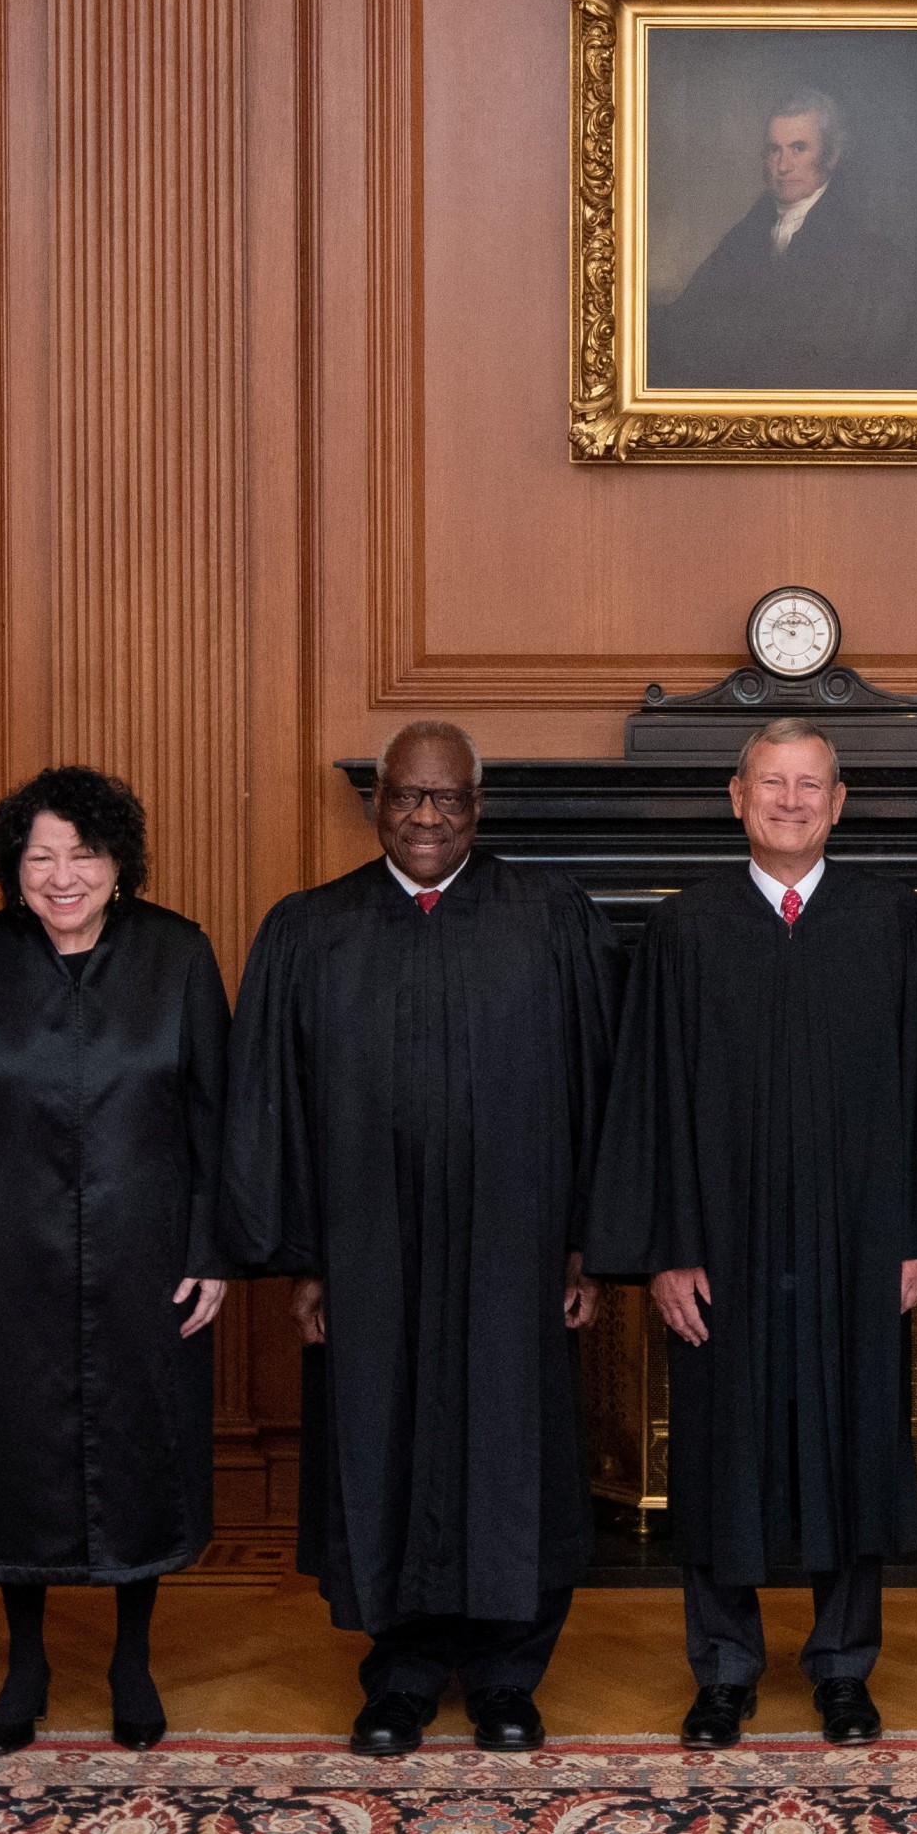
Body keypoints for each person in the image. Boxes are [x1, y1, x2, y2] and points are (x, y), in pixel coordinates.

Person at [221, 721, 618, 1757]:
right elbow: (276, 1106)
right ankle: (396, 1671)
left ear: (478, 807)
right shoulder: (311, 930)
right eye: (407, 797)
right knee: (379, 1437)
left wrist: (587, 1240)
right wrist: (303, 1254)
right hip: (368, 1252)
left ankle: (505, 1674)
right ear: (376, 803)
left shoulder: (551, 919)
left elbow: (601, 1089)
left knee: (511, 1443)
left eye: (447, 799)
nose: (427, 817)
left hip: (517, 1250)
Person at [584, 716, 917, 1748]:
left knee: (857, 1433)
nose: (791, 800)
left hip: (861, 1234)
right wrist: (663, 1244)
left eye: (811, 785)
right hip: (722, 1240)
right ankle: (725, 1666)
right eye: (772, 782)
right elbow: (648, 1102)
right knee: (721, 1446)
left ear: (839, 803)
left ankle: (844, 1665)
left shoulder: (894, 921)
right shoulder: (685, 929)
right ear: (736, 795)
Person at [0, 766, 233, 1752]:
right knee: (15, 1457)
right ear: (12, 866)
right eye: (39, 855)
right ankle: (27, 1659)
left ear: (118, 863)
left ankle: (132, 1658)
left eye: (82, 855)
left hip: (149, 1259)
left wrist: (213, 1245)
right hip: (7, 1263)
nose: (61, 875)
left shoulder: (178, 956)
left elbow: (220, 1120)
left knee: (141, 1452)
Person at [650, 91, 917, 392]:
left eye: (798, 148)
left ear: (831, 155)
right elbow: (688, 321)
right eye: (774, 150)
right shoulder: (743, 238)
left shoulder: (871, 259)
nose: (783, 166)